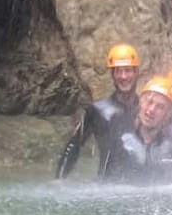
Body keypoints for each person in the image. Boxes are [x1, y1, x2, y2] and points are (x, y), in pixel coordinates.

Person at [55, 43, 141, 179]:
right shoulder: (97, 111)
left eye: (128, 70)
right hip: (106, 185)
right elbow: (73, 146)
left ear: (136, 72)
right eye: (118, 71)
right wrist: (59, 180)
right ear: (112, 75)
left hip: (141, 185)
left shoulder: (148, 111)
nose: (123, 76)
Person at [104, 76, 172, 184]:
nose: (151, 110)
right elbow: (107, 184)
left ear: (168, 113)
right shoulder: (122, 141)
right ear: (140, 104)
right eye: (149, 102)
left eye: (160, 107)